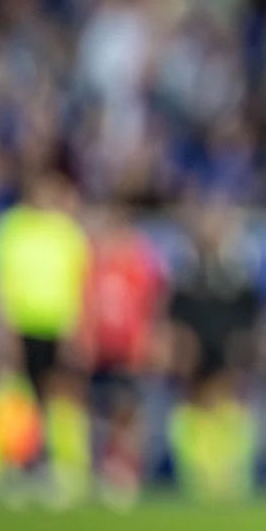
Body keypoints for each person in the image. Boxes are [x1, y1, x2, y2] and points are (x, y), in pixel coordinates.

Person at [0, 167, 93, 505]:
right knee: (14, 395)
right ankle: (10, 466)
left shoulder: (67, 232)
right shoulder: (10, 228)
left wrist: (78, 330)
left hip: (56, 326)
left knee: (57, 396)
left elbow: (79, 286)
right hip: (18, 324)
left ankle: (61, 470)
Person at [167, 202, 266, 504]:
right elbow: (177, 315)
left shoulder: (236, 274)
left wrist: (246, 348)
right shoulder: (189, 276)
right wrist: (180, 347)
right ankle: (199, 473)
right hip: (197, 351)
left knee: (228, 406)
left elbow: (252, 314)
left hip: (226, 349)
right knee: (196, 407)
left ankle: (231, 474)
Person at [80, 203, 171, 505]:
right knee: (97, 410)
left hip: (129, 348)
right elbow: (86, 303)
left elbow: (153, 303)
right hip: (100, 347)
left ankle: (126, 471)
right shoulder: (93, 260)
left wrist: (151, 338)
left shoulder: (140, 261)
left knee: (127, 410)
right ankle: (100, 469)